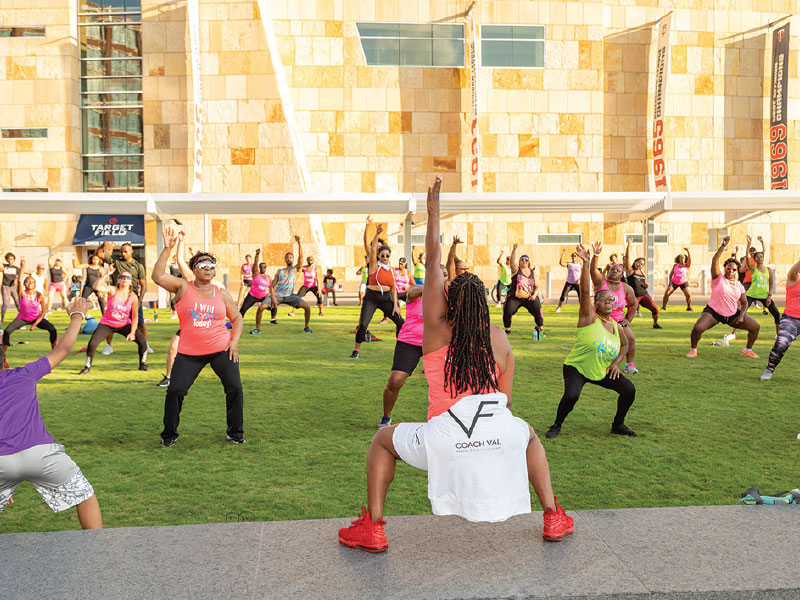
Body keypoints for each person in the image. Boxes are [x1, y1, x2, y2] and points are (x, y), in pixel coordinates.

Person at [338, 177, 573, 553]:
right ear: (483, 303)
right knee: (529, 436)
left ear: (449, 298)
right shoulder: (499, 337)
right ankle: (553, 515)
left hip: (446, 436)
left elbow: (432, 261)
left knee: (382, 441)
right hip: (498, 434)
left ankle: (373, 526)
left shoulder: (435, 329)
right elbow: (506, 403)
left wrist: (433, 213)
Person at [0, 296, 102, 529]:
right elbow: (64, 348)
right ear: (6, 362)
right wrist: (77, 314)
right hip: (40, 453)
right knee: (84, 496)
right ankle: (99, 551)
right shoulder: (24, 374)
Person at [152, 225, 245, 447]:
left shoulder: (220, 292)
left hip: (221, 350)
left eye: (211, 265)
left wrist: (234, 343)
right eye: (202, 264)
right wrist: (167, 249)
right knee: (175, 391)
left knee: (235, 389)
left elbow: (237, 318)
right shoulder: (183, 287)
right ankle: (169, 435)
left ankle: (235, 433)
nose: (208, 268)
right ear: (194, 269)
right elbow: (157, 276)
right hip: (189, 353)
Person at [545, 244, 637, 439]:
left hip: (601, 370)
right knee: (572, 396)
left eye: (611, 300)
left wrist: (615, 363)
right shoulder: (589, 317)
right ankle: (556, 425)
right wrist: (587, 263)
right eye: (603, 300)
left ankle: (618, 425)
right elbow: (585, 292)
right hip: (577, 367)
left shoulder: (617, 326)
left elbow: (626, 345)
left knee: (629, 390)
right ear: (595, 304)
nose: (608, 302)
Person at [686, 236, 760, 358]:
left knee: (755, 327)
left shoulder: (738, 285)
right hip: (714, 312)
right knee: (697, 328)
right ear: (725, 268)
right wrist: (723, 245)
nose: (730, 271)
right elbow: (715, 261)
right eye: (728, 268)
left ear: (737, 271)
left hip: (732, 315)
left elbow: (744, 302)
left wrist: (741, 316)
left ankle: (748, 351)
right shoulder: (718, 278)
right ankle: (693, 350)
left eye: (733, 269)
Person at [350, 217, 404, 359]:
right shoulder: (374, 265)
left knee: (401, 322)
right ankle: (356, 350)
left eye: (387, 255)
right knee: (363, 324)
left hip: (386, 299)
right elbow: (372, 248)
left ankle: (402, 349)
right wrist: (376, 233)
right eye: (382, 255)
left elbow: (393, 288)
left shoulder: (392, 270)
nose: (385, 257)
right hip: (371, 298)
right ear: (379, 256)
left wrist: (396, 305)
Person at [80, 266, 147, 374]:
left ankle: (142, 364)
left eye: (127, 278)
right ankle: (87, 367)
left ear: (131, 281)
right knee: (92, 344)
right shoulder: (113, 290)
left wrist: (132, 332)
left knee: (142, 341)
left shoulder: (133, 297)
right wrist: (107, 274)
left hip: (124, 324)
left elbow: (134, 316)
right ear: (119, 279)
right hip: (107, 324)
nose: (125, 279)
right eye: (122, 277)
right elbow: (96, 286)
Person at [378, 284, 424, 429]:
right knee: (395, 381)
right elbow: (410, 293)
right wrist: (432, 284)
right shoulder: (419, 290)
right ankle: (386, 417)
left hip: (436, 343)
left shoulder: (448, 294)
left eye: (445, 275)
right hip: (410, 341)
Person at [96, 241, 150, 356]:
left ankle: (145, 344)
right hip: (117, 297)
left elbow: (144, 286)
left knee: (140, 323)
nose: (123, 253)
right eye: (121, 251)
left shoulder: (138, 266)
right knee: (111, 322)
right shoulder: (116, 261)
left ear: (131, 251)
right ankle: (109, 346)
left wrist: (139, 301)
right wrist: (103, 245)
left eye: (125, 251)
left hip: (133, 298)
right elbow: (99, 254)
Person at [157, 232, 194, 389]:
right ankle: (169, 377)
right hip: (189, 325)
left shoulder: (215, 286)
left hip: (207, 326)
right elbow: (179, 260)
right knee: (173, 347)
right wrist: (181, 241)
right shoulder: (190, 280)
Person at [761, 256, 800, 380]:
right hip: (791, 318)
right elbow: (792, 272)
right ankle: (769, 369)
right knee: (781, 344)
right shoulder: (794, 279)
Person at [2, 275, 57, 361]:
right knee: (7, 331)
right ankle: (3, 354)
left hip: (36, 318)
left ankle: (54, 351)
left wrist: (35, 324)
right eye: (27, 281)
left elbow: (43, 312)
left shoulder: (39, 296)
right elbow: (19, 282)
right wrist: (22, 268)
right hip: (22, 318)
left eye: (32, 282)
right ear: (24, 284)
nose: (30, 283)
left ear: (35, 284)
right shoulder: (21, 293)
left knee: (52, 329)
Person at [267, 236, 313, 333]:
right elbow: (272, 285)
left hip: (290, 296)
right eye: (287, 257)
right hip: (279, 295)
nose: (289, 259)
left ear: (293, 259)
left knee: (307, 307)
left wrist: (299, 242)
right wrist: (272, 295)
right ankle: (261, 326)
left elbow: (300, 258)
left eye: (291, 257)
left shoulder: (296, 269)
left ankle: (306, 327)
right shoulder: (280, 271)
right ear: (285, 259)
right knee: (262, 307)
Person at [502, 244, 545, 340]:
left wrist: (534, 295)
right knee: (508, 311)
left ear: (529, 262)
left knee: (537, 310)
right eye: (522, 259)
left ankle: (541, 330)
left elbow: (537, 286)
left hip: (529, 297)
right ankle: (507, 330)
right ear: (519, 262)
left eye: (526, 260)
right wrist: (514, 250)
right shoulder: (516, 270)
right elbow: (512, 262)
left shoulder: (533, 273)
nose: (524, 261)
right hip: (515, 297)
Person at [623, 239, 662, 329]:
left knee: (655, 309)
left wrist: (646, 285)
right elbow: (628, 257)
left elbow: (643, 283)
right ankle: (623, 326)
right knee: (630, 314)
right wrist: (629, 245)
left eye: (642, 264)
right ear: (635, 262)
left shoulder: (641, 272)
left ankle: (655, 324)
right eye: (638, 262)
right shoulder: (630, 270)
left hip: (644, 295)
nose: (639, 264)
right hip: (634, 296)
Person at [743, 240, 780, 335]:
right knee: (741, 313)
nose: (759, 258)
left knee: (776, 314)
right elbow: (747, 257)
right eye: (757, 257)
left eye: (761, 256)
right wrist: (748, 245)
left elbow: (771, 284)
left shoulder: (769, 270)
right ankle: (733, 334)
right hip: (751, 294)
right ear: (754, 259)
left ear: (763, 258)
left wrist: (769, 296)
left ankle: (778, 334)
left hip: (764, 295)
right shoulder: (752, 268)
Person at [241, 248, 277, 334]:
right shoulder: (256, 274)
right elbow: (255, 264)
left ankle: (273, 319)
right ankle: (237, 322)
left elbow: (271, 287)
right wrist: (257, 254)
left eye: (264, 267)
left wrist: (272, 295)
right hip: (252, 296)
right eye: (261, 267)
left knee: (274, 302)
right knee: (243, 309)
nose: (262, 268)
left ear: (266, 268)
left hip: (263, 297)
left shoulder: (269, 278)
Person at [2, 252, 24, 329]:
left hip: (14, 287)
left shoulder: (16, 268)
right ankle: (2, 319)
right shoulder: (4, 267)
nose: (10, 260)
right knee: (5, 304)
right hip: (5, 286)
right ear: (6, 259)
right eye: (8, 258)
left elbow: (19, 275)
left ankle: (22, 319)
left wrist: (16, 279)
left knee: (18, 303)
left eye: (12, 259)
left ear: (14, 260)